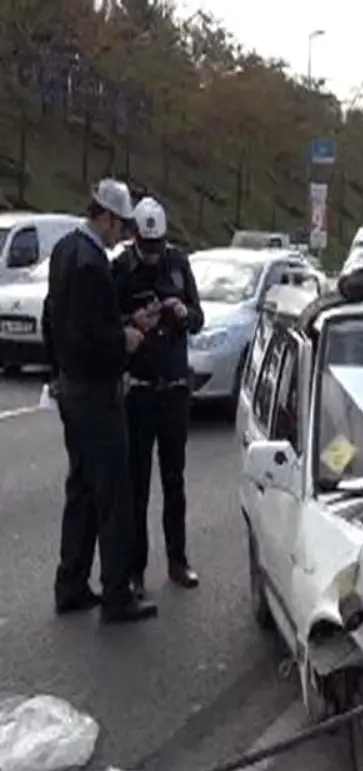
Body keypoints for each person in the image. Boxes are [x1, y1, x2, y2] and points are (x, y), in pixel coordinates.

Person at [50, 179, 158, 622]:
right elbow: (93, 335)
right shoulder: (93, 262)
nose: (125, 235)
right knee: (114, 492)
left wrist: (122, 319)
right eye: (122, 225)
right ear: (107, 218)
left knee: (80, 488)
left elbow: (59, 318)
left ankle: (71, 582)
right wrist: (127, 338)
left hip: (71, 387)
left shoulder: (64, 251)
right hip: (97, 391)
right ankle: (117, 593)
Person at [112, 197, 204, 598]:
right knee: (136, 486)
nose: (152, 256)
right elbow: (106, 322)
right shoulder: (119, 270)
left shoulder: (179, 264)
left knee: (174, 482)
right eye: (146, 248)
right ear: (135, 238)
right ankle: (135, 569)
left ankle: (178, 560)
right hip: (139, 391)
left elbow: (199, 318)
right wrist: (134, 321)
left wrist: (183, 313)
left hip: (174, 390)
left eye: (158, 248)